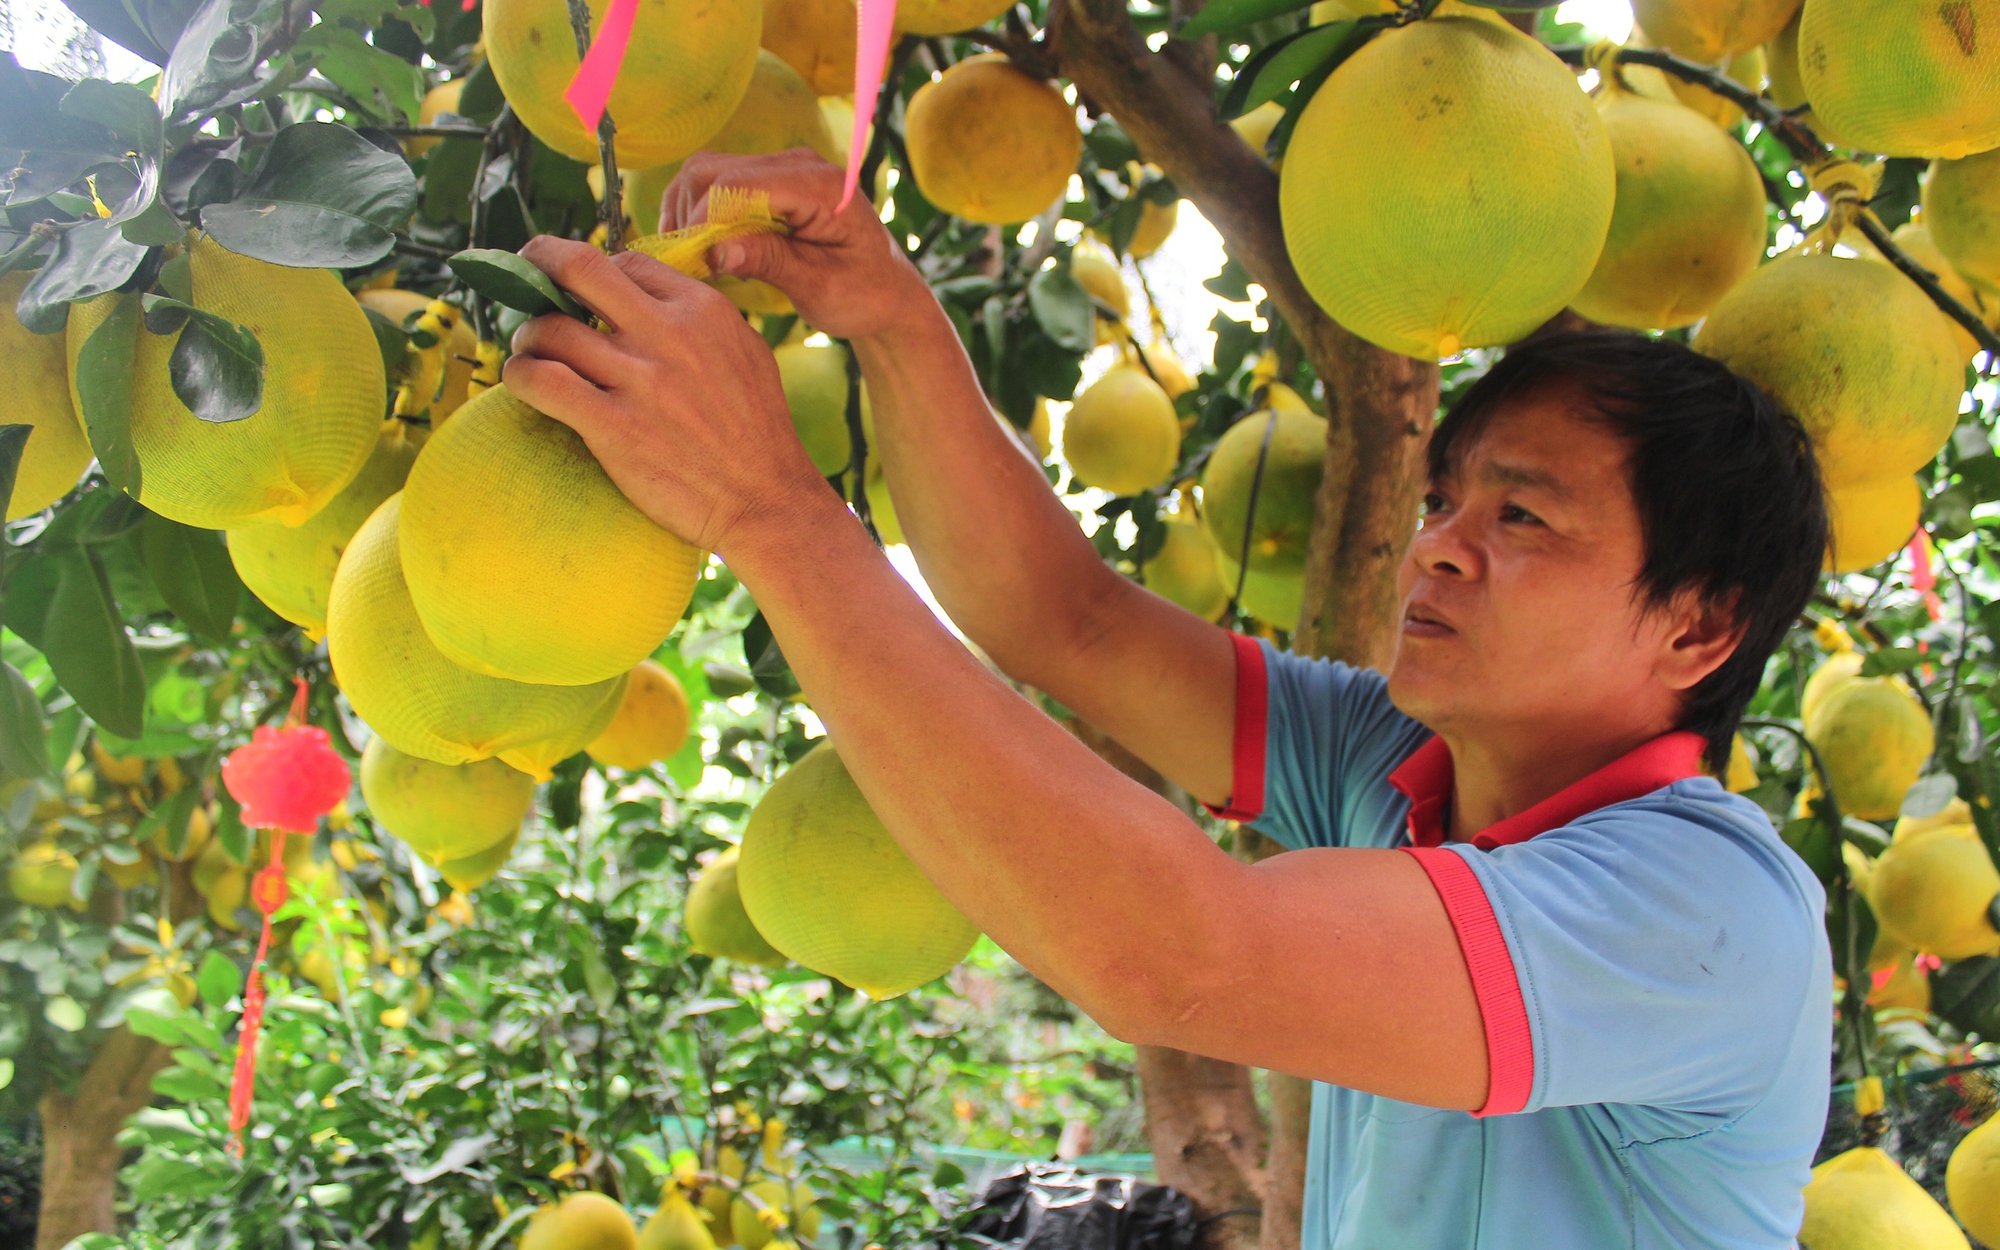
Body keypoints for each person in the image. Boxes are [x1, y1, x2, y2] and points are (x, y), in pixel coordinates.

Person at [500, 149, 1834, 1249]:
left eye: (1524, 513)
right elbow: (1063, 618)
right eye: (1445, 497)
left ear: (1699, 621)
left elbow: (1176, 957)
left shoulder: (1703, 910)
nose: (1440, 542)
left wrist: (770, 509)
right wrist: (892, 316)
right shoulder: (1393, 764)